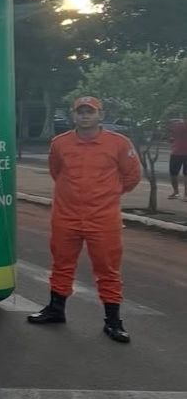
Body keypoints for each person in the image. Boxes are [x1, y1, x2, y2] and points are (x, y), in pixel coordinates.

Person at [27, 96, 141, 342]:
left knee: (107, 269)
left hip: (103, 219)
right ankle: (56, 310)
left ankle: (113, 321)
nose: (85, 116)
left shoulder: (119, 143)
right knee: (61, 263)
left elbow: (132, 176)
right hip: (66, 216)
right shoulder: (60, 143)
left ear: (101, 115)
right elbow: (57, 172)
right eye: (81, 112)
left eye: (91, 112)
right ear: (73, 115)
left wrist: (109, 193)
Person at [167, 115, 187, 200]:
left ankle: (176, 192)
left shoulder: (176, 124)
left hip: (176, 152)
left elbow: (170, 137)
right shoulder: (177, 124)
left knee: (173, 174)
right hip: (177, 152)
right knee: (184, 174)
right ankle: (185, 195)